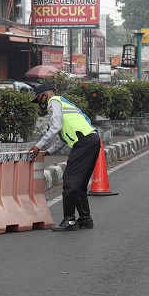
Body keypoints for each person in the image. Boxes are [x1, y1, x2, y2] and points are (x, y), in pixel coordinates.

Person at [29, 83, 101, 231]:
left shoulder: (54, 101)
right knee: (79, 184)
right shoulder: (63, 104)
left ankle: (69, 220)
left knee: (70, 181)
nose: (40, 104)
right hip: (91, 141)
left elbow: (55, 127)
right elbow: (62, 138)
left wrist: (38, 145)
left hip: (84, 142)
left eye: (39, 100)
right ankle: (85, 220)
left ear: (45, 95)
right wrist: (48, 151)